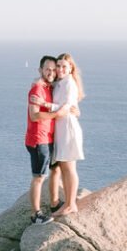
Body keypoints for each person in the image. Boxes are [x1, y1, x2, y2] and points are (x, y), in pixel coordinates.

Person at [24, 56, 79, 224]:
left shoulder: (50, 86)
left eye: (54, 69)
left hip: (50, 138)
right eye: (48, 69)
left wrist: (73, 110)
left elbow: (70, 104)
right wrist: (57, 113)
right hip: (39, 139)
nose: (52, 72)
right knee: (39, 176)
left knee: (56, 170)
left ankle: (55, 203)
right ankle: (36, 214)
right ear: (40, 70)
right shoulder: (37, 90)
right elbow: (34, 115)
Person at [50, 53, 85, 217]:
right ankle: (68, 204)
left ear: (71, 68)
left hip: (68, 128)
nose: (60, 69)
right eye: (58, 66)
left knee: (70, 168)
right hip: (61, 129)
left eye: (64, 66)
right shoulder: (59, 83)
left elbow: (65, 108)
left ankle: (71, 205)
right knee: (64, 167)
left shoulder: (69, 84)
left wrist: (43, 106)